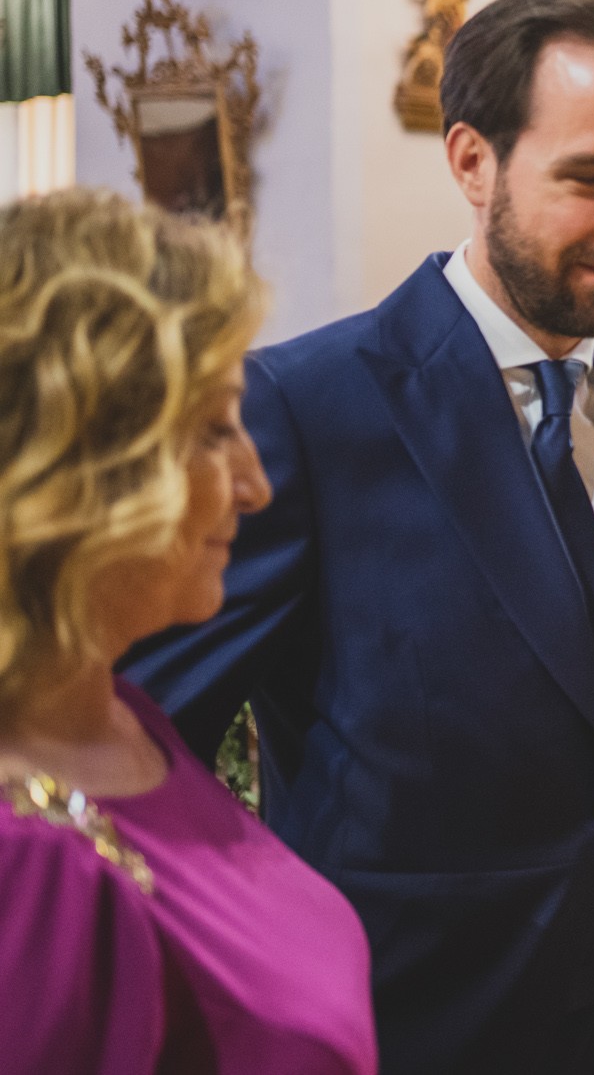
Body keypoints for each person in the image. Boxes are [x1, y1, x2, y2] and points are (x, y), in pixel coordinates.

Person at [121, 0, 594, 1075]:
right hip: (410, 1022)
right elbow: (145, 745)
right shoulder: (305, 408)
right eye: (591, 179)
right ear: (472, 160)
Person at [0, 190, 376, 1074]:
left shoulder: (126, 719)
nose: (254, 482)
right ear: (78, 463)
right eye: (212, 429)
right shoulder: (27, 863)